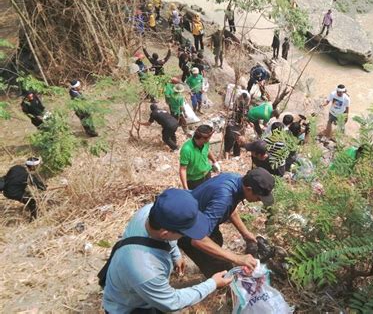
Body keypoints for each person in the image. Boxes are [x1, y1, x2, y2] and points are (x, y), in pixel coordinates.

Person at [102, 189, 232, 313]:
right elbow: (171, 302)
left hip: (135, 286)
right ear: (165, 234)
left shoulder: (150, 212)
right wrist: (212, 283)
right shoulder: (145, 269)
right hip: (129, 307)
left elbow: (169, 238)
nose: (186, 236)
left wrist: (176, 255)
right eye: (184, 233)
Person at [178, 168, 275, 278]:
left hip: (203, 219)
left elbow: (231, 209)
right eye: (258, 197)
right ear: (249, 189)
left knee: (218, 244)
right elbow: (198, 240)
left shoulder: (236, 179)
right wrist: (237, 258)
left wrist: (245, 233)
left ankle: (207, 267)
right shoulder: (224, 197)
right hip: (188, 231)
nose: (259, 201)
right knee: (225, 274)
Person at [179, 125, 219, 190]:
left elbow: (207, 151)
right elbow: (183, 169)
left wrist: (214, 161)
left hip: (207, 174)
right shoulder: (187, 149)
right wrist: (185, 188)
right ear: (202, 138)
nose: (209, 139)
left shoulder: (205, 143)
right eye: (209, 138)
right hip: (194, 180)